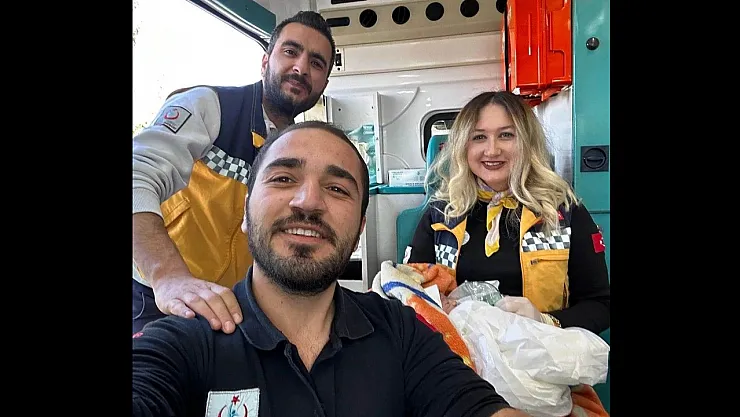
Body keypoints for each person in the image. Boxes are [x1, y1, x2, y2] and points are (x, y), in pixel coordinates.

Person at [132, 121, 533, 417]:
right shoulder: (185, 342)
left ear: (359, 229)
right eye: (284, 178)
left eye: (337, 188)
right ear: (245, 213)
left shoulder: (401, 332)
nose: (308, 201)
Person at [132, 11, 337, 334]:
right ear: (265, 61)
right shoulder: (209, 107)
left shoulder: (298, 148)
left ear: (323, 83)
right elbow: (137, 176)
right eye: (290, 51)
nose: (301, 68)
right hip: (159, 300)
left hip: (232, 311)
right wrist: (168, 277)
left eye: (316, 63)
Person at [404, 91, 610, 335]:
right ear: (463, 146)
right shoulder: (441, 215)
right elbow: (409, 293)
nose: (492, 150)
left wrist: (545, 321)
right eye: (479, 137)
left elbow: (601, 306)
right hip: (459, 354)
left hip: (541, 352)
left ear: (527, 142)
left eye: (506, 135)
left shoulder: (564, 212)